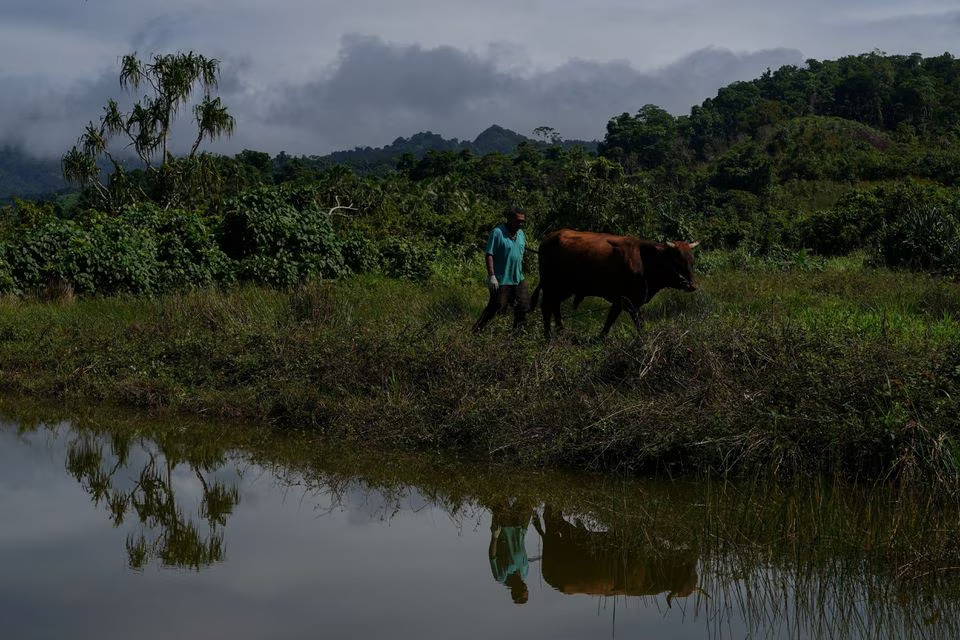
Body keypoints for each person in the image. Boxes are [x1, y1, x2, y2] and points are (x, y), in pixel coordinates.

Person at [472, 207, 530, 334]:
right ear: (509, 219)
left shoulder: (521, 234)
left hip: (518, 279)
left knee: (523, 306)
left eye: (522, 221)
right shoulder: (497, 232)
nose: (520, 224)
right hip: (502, 279)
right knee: (496, 308)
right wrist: (491, 276)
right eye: (517, 221)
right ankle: (476, 331)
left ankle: (517, 335)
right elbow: (489, 255)